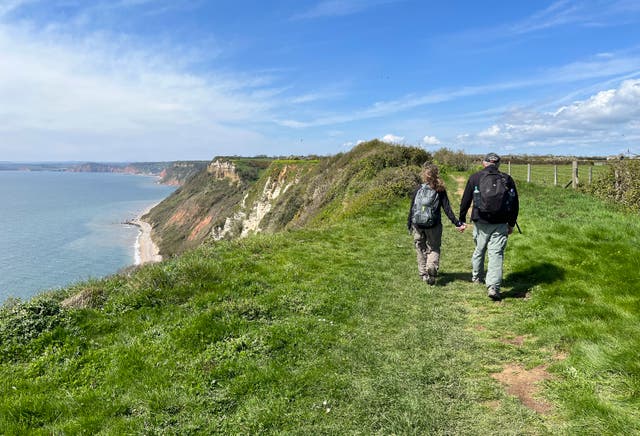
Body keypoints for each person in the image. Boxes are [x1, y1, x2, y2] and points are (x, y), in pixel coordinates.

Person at [459, 152, 519, 301]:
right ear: (498, 164)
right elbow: (514, 204)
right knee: (496, 254)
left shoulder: (475, 177)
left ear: (484, 163)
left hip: (480, 221)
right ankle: (493, 286)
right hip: (500, 222)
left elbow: (466, 200)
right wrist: (511, 224)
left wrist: (461, 220)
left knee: (479, 249)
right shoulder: (507, 179)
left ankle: (477, 277)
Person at [408, 164, 466, 285]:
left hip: (417, 225)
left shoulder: (418, 188)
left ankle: (423, 274)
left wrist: (409, 223)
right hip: (433, 225)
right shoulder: (440, 190)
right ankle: (431, 266)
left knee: (420, 248)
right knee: (433, 247)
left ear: (424, 175)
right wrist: (457, 223)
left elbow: (412, 208)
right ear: (436, 174)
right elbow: (447, 209)